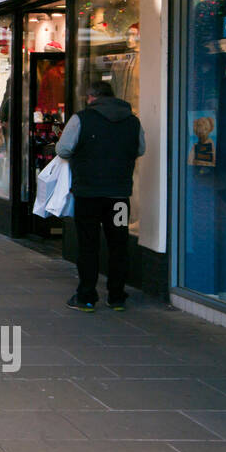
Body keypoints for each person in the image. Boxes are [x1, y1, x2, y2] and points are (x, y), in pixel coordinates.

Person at [55, 80, 145, 313]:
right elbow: (140, 149)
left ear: (92, 97)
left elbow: (63, 149)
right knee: (119, 243)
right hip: (119, 196)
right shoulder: (133, 121)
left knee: (88, 243)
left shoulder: (81, 119)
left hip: (88, 195)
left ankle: (86, 296)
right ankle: (116, 297)